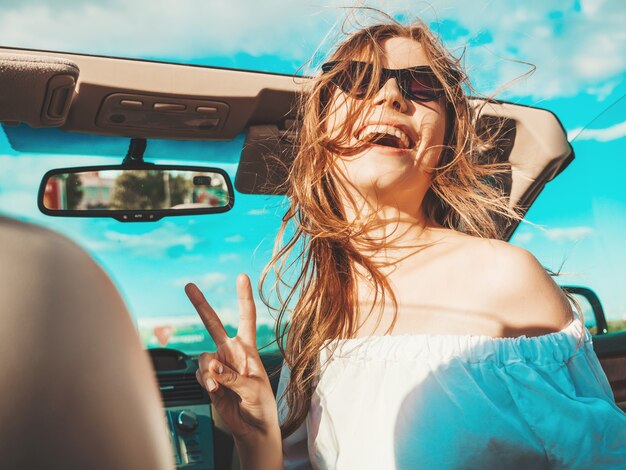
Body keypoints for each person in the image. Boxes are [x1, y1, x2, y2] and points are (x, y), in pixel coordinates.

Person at [185, 16, 626, 470]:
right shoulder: (319, 310)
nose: (391, 95)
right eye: (358, 80)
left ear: (446, 142)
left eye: (421, 86)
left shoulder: (504, 277)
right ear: (320, 128)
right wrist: (256, 439)